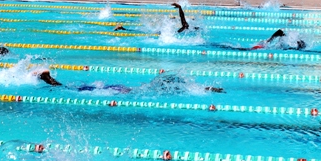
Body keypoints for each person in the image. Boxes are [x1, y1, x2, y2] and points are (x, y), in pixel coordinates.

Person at [35, 70, 224, 93]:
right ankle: (48, 80)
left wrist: (211, 88)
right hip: (120, 90)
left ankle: (49, 80)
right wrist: (211, 89)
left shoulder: (151, 87)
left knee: (76, 89)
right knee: (76, 90)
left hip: (119, 89)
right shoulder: (152, 90)